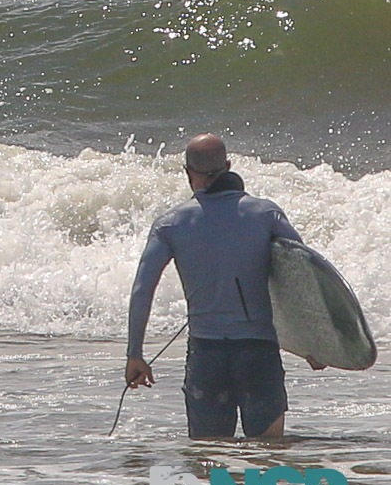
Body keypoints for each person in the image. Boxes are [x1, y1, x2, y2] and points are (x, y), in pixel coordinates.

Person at [125, 134, 321, 439]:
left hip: (207, 355)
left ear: (188, 172)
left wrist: (135, 355)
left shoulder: (170, 223)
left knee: (209, 462)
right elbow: (304, 276)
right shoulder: (266, 213)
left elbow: (142, 289)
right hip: (258, 354)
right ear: (228, 166)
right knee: (267, 457)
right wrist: (314, 343)